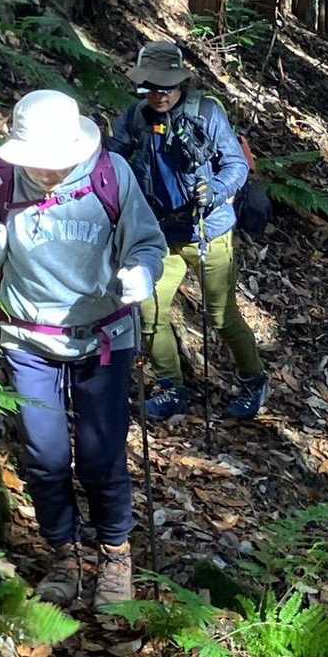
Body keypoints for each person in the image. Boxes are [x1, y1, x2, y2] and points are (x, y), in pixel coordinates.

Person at [0, 89, 167, 608]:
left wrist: (142, 272)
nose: (45, 172)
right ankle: (64, 555)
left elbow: (146, 242)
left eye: (55, 161)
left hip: (105, 337)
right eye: (37, 161)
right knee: (45, 456)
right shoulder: (0, 182)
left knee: (101, 454)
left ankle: (115, 553)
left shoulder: (110, 175)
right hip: (28, 338)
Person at [107, 41, 270, 422]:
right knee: (151, 311)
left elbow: (236, 165)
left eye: (166, 86)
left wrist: (214, 192)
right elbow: (112, 160)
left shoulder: (206, 113)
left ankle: (253, 380)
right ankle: (171, 386)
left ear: (180, 83)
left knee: (221, 316)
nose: (159, 94)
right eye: (151, 87)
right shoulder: (135, 118)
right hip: (163, 235)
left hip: (209, 232)